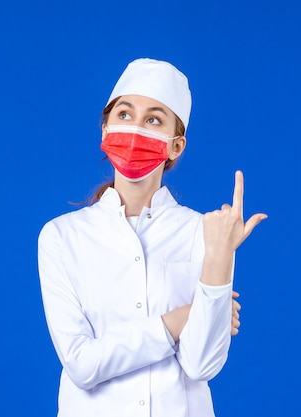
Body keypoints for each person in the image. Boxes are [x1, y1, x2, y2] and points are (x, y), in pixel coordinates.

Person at [37, 58, 267, 417]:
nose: (135, 130)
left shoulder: (205, 232)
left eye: (154, 120)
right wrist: (184, 318)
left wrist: (221, 255)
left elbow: (201, 365)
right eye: (125, 115)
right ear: (105, 130)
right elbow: (81, 365)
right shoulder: (62, 236)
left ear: (176, 147)